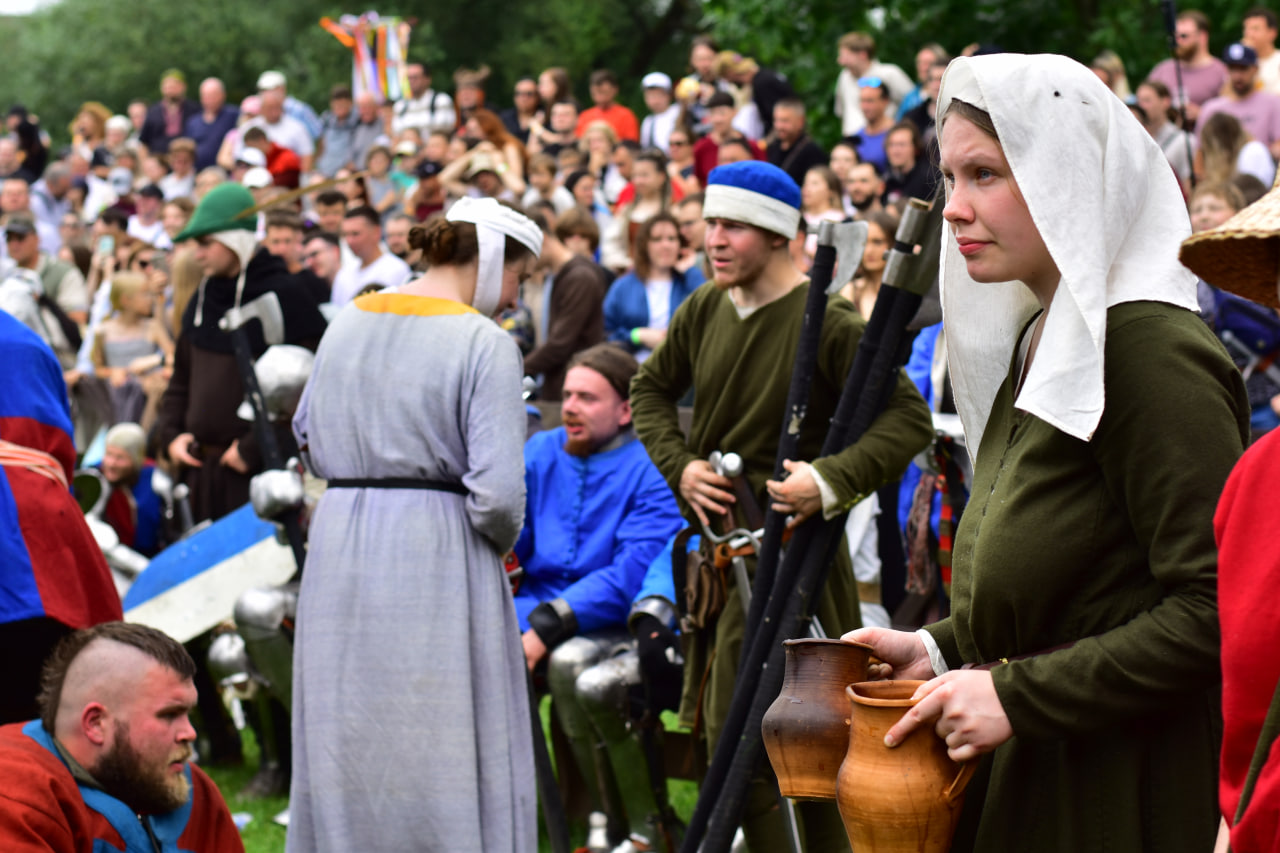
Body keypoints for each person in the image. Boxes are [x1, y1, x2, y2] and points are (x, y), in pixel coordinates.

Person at [845, 53, 1250, 853]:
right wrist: (935, 647)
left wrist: (1015, 696)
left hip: (1116, 790)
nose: (954, 209)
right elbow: (1068, 589)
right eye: (950, 176)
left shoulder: (1147, 351)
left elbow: (1214, 611)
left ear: (1066, 176)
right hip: (1031, 768)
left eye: (986, 174)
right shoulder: (1040, 334)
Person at [630, 160, 933, 849]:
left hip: (793, 567)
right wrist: (682, 466)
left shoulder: (825, 317)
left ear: (774, 234)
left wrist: (827, 480)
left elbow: (906, 420)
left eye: (731, 224)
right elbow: (648, 390)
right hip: (718, 569)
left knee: (789, 749)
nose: (713, 238)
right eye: (709, 223)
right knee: (725, 737)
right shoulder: (706, 305)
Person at [289, 197, 542, 852]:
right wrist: (495, 546)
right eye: (519, 276)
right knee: (439, 732)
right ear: (492, 260)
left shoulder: (349, 318)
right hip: (437, 545)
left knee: (351, 723)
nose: (515, 296)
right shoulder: (484, 341)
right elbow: (497, 497)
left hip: (340, 539)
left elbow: (307, 435)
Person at [514, 344, 684, 847]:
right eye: (566, 395)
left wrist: (547, 625)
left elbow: (631, 573)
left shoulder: (650, 467)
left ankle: (613, 823)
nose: (569, 407)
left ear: (625, 410)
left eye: (587, 398)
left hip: (606, 618)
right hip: (531, 605)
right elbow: (511, 541)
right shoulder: (542, 452)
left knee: (570, 665)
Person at [155, 183, 327, 524]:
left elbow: (311, 392)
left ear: (235, 239)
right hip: (199, 470)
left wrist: (253, 447)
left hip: (258, 473)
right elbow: (181, 380)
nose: (197, 254)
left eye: (206, 243)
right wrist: (171, 435)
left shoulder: (285, 294)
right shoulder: (203, 297)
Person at [0, 622, 244, 850]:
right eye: (169, 715)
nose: (189, 733)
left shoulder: (190, 787)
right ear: (96, 724)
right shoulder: (15, 797)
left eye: (187, 713)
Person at [0, 311, 120, 725]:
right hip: (43, 532)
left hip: (32, 531)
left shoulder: (19, 344)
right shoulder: (25, 341)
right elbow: (58, 449)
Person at [523, 210, 608, 400]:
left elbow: (560, 344)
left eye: (525, 252)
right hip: (559, 384)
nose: (523, 261)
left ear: (542, 240)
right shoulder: (558, 276)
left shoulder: (580, 277)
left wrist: (517, 368)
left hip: (574, 388)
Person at [605, 211, 705, 361]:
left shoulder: (689, 280)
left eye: (672, 239)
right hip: (632, 369)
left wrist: (690, 271)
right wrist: (637, 335)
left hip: (680, 370)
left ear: (680, 244)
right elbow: (605, 334)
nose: (666, 245)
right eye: (657, 239)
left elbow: (709, 310)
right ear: (645, 245)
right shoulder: (623, 286)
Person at [1197, 42, 1280, 159]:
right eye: (1233, 69)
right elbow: (1200, 153)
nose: (1237, 76)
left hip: (1260, 172)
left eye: (1243, 68)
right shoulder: (1211, 109)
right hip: (1221, 172)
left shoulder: (1273, 103)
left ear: (1255, 69)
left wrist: (1256, 149)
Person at [1148, 9, 1230, 125]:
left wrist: (1202, 114)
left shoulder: (1221, 72)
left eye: (1184, 36)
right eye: (1175, 37)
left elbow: (1232, 111)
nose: (1178, 41)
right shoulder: (1162, 70)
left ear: (1202, 36)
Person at [834, 31, 916, 137]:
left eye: (845, 56)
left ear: (862, 55)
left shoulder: (889, 73)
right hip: (852, 141)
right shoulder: (844, 77)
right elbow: (841, 112)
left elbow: (913, 103)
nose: (840, 61)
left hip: (885, 140)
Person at [329, 206, 413, 306]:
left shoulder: (396, 269)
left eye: (355, 234)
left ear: (376, 232)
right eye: (345, 235)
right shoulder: (344, 273)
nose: (349, 241)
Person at [839, 208, 898, 319]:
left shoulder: (903, 292)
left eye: (877, 242)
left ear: (893, 243)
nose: (869, 251)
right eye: (863, 243)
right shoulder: (851, 291)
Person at [1136, 79, 1195, 188]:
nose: (1141, 106)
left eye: (1147, 100)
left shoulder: (1184, 140)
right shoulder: (1134, 140)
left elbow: (1189, 184)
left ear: (1165, 102)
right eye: (1139, 101)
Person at [766, 97, 828, 188]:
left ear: (800, 122)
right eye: (776, 120)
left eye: (785, 121)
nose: (779, 126)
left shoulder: (812, 152)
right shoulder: (774, 146)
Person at [137, 69, 200, 156]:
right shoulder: (153, 111)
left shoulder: (194, 109)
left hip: (185, 161)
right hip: (158, 161)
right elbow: (144, 142)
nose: (171, 90)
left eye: (174, 86)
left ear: (183, 86)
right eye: (168, 86)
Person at [185, 77, 239, 172]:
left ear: (223, 95)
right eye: (205, 96)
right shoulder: (193, 121)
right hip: (198, 173)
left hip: (224, 173)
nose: (209, 100)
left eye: (213, 95)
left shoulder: (234, 115)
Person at [393, 62, 457, 138]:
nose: (411, 81)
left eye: (415, 77)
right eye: (409, 78)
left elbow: (445, 130)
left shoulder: (441, 100)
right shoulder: (400, 105)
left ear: (427, 79)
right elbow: (396, 133)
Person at [576, 69, 640, 142]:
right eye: (596, 92)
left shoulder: (626, 116)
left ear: (615, 90)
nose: (599, 96)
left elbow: (631, 144)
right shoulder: (585, 116)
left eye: (603, 92)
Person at [638, 72, 684, 154]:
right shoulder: (648, 121)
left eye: (658, 95)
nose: (655, 101)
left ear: (669, 95)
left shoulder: (679, 110)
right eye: (650, 96)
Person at [1243, 6, 1280, 94]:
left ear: (1272, 33)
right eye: (1246, 29)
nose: (1249, 34)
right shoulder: (1239, 63)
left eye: (1255, 29)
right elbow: (1228, 96)